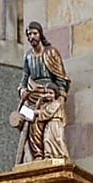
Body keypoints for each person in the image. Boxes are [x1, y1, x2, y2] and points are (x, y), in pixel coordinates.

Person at [15, 20, 69, 164]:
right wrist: (22, 89)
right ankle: (37, 155)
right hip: (32, 95)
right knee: (32, 126)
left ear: (40, 34)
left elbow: (61, 77)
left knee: (48, 128)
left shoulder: (51, 52)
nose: (31, 37)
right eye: (29, 34)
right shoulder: (28, 56)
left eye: (34, 33)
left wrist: (61, 97)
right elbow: (25, 77)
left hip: (48, 93)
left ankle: (49, 153)